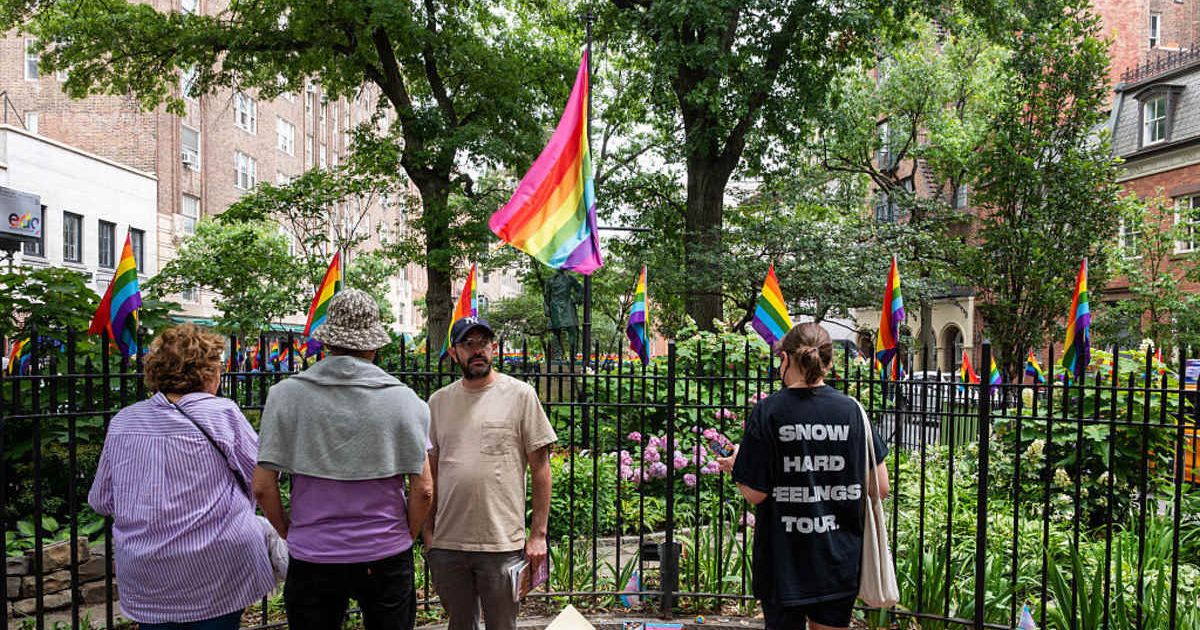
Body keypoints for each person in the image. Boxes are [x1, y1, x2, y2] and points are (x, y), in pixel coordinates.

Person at [253, 289, 433, 630]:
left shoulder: (286, 396)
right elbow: (423, 489)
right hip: (385, 550)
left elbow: (262, 487)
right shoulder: (405, 400)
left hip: (314, 553)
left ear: (328, 342)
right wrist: (404, 535)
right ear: (374, 345)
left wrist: (291, 532)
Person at [88, 324, 274, 630]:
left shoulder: (124, 421)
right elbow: (262, 478)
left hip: (147, 575)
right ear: (207, 372)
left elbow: (102, 500)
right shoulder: (222, 413)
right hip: (217, 571)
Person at [718, 323, 890, 630]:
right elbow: (881, 487)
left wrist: (737, 466)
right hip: (839, 558)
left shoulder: (768, 411)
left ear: (785, 359)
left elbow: (755, 494)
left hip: (784, 561)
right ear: (829, 361)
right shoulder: (852, 411)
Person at [425, 316, 557, 630]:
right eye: (468, 344)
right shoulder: (438, 403)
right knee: (459, 625)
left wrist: (538, 534)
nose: (477, 350)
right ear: (454, 353)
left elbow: (540, 468)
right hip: (448, 544)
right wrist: (429, 537)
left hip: (501, 544)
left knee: (502, 626)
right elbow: (428, 472)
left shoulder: (521, 395)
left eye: (483, 343)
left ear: (494, 348)